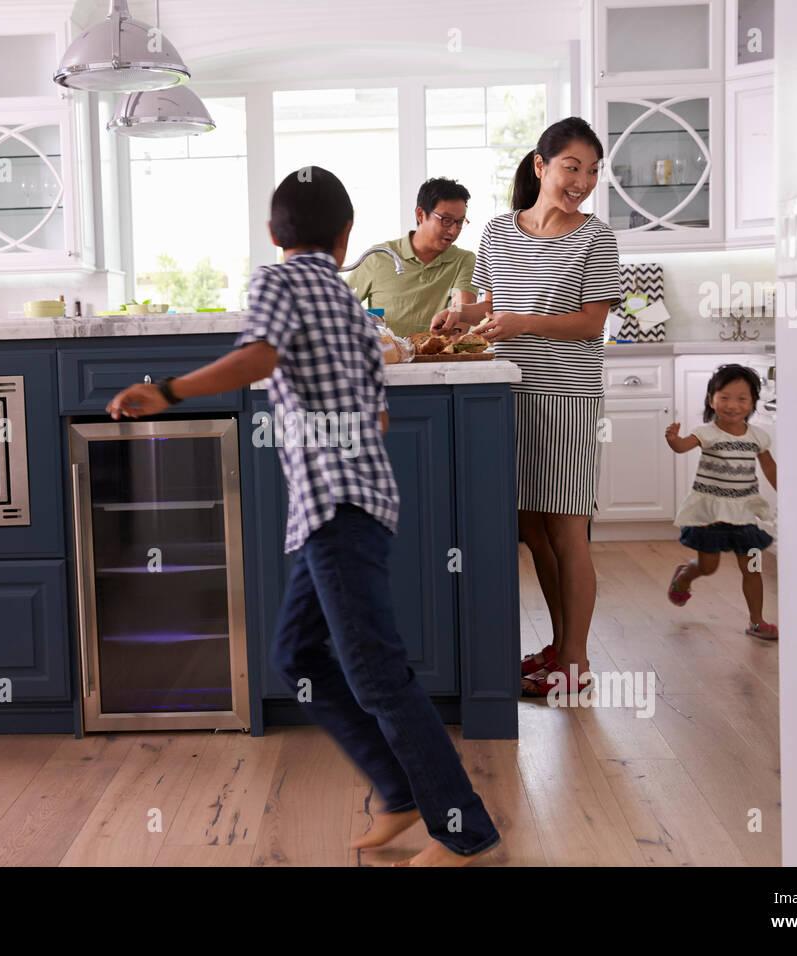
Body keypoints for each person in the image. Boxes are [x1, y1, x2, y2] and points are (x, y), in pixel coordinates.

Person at [106, 166, 501, 867]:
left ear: (271, 234)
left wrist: (166, 390)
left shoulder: (277, 282)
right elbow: (376, 417)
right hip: (360, 504)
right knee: (297, 656)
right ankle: (400, 792)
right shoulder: (352, 306)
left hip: (334, 507)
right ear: (346, 238)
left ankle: (464, 832)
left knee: (377, 675)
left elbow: (260, 354)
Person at [431, 117, 622, 698]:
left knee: (567, 528)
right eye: (572, 167)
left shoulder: (596, 236)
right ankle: (561, 645)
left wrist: (521, 323)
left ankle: (576, 662)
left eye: (592, 171)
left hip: (565, 395)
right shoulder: (496, 232)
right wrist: (462, 316)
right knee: (530, 526)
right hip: (506, 391)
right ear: (541, 166)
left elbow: (592, 323)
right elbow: (493, 303)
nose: (583, 181)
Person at [664, 364, 779, 639]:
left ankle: (756, 621)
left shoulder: (757, 436)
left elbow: (770, 468)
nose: (732, 405)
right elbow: (682, 447)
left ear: (752, 402)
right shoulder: (706, 433)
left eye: (742, 398)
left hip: (744, 515)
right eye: (724, 397)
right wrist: (673, 439)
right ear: (711, 399)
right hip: (710, 515)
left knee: (752, 567)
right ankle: (684, 577)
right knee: (708, 567)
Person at [347, 177, 478, 338]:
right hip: (389, 360)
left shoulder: (463, 261)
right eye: (446, 220)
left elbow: (461, 312)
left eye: (459, 222)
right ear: (421, 215)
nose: (453, 230)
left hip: (439, 359)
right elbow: (340, 307)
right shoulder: (378, 257)